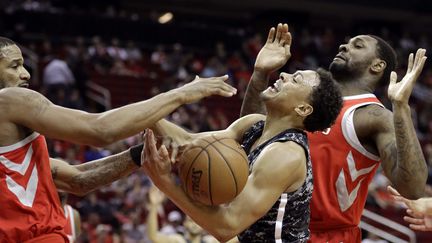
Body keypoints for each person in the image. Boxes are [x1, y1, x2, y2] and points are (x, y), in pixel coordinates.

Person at [0, 36, 236, 242]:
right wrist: (182, 94)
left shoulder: (13, 146)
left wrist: (140, 153)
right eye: (14, 65)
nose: (26, 73)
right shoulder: (9, 100)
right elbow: (100, 130)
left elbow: (78, 180)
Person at [240, 23, 428, 242]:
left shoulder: (372, 116)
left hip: (325, 235)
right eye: (346, 43)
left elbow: (413, 188)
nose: (343, 46)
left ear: (377, 66)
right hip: (266, 223)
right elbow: (250, 135)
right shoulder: (306, 97)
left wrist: (401, 107)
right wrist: (261, 73)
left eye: (357, 46)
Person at [141, 65, 343, 241]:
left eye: (295, 79)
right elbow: (188, 142)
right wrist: (144, 113)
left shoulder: (286, 153)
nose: (284, 75)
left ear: (302, 108)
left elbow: (226, 226)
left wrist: (166, 183)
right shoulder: (254, 125)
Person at [146, 185, 219, 243]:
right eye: (191, 220)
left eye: (198, 222)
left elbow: (230, 238)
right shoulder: (178, 240)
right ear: (185, 223)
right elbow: (153, 236)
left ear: (204, 226)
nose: (194, 224)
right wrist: (154, 206)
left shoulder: (210, 241)